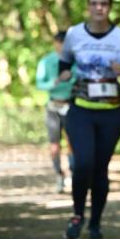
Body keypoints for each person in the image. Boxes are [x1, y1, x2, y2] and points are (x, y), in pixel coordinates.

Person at [58, 0, 120, 239]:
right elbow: (64, 62)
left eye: (103, 3)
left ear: (110, 7)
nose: (98, 8)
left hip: (111, 112)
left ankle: (95, 223)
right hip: (80, 109)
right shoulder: (74, 34)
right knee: (82, 164)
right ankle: (77, 214)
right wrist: (65, 73)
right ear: (88, 6)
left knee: (100, 168)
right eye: (94, 3)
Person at [36, 31, 76, 193]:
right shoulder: (46, 61)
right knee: (54, 146)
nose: (61, 46)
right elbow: (40, 83)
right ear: (54, 43)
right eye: (59, 43)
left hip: (71, 105)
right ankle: (59, 175)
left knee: (72, 144)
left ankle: (73, 175)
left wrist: (70, 79)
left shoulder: (74, 61)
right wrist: (55, 82)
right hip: (53, 106)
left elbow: (79, 78)